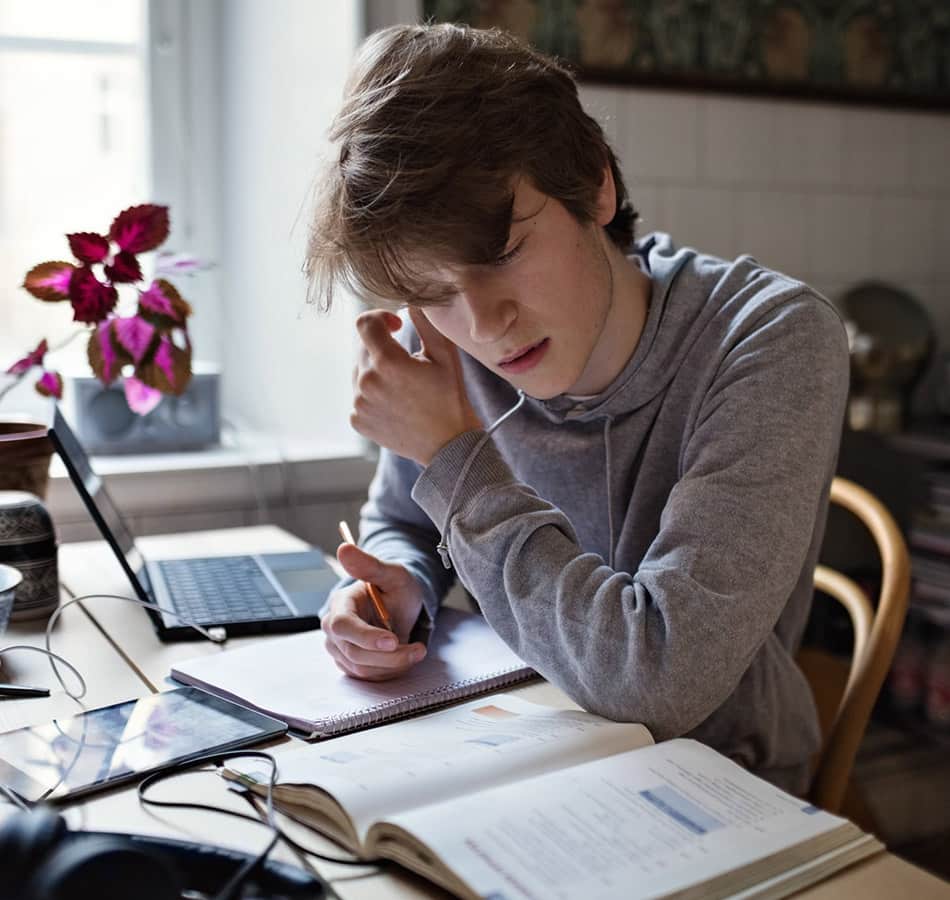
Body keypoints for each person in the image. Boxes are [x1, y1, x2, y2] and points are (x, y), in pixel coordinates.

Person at [307, 22, 849, 794]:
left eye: (499, 255)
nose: (483, 324)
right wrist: (388, 588)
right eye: (431, 291)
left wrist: (455, 461)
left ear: (595, 183)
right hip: (521, 742)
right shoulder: (447, 340)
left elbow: (659, 679)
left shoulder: (772, 337)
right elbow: (404, 520)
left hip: (718, 781)